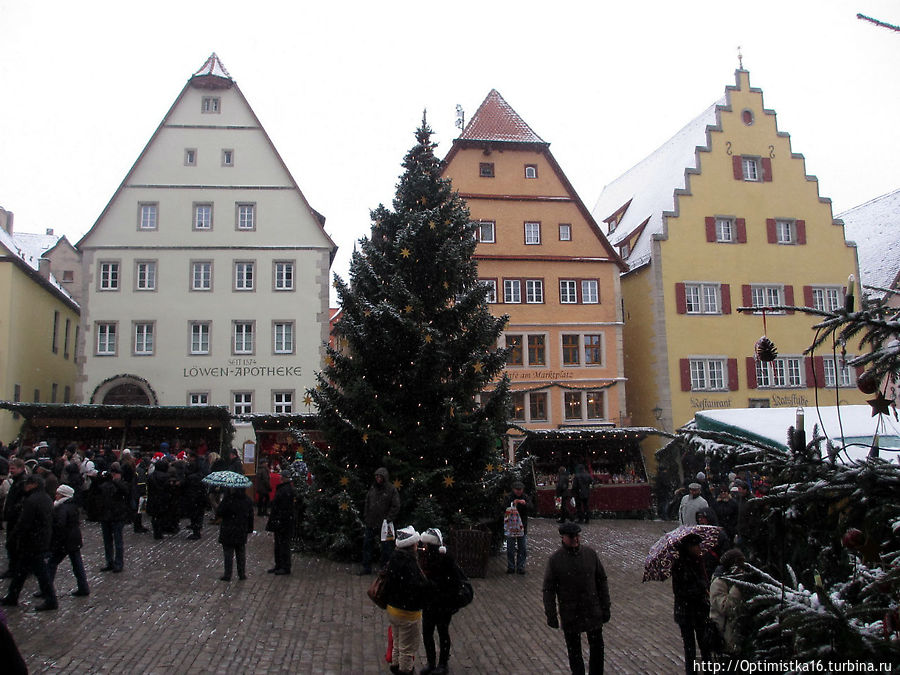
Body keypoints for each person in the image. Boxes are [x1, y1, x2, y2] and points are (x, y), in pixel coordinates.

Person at [543, 522, 611, 675]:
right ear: (563, 538)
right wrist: (551, 614)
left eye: (577, 536)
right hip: (570, 612)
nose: (575, 539)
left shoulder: (590, 554)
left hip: (592, 609)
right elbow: (548, 589)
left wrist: (605, 606)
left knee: (597, 649)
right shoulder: (555, 560)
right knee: (574, 653)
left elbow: (601, 580)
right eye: (571, 536)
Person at [1, 474, 57, 610]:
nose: (25, 486)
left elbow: (24, 523)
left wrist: (13, 538)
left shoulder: (32, 501)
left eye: (28, 484)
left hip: (32, 541)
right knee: (22, 570)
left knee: (40, 572)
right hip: (40, 539)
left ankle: (51, 599)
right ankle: (12, 596)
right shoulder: (46, 498)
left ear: (34, 485)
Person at [382, 526, 430, 675]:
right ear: (411, 545)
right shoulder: (410, 565)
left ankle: (396, 666)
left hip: (393, 610)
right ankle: (404, 670)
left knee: (397, 642)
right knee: (407, 649)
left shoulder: (394, 560)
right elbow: (417, 589)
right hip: (408, 614)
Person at [419, 527, 465, 675]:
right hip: (430, 603)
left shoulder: (445, 558)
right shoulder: (425, 558)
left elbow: (454, 581)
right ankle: (431, 662)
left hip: (443, 603)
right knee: (427, 632)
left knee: (442, 632)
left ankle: (443, 664)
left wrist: (435, 586)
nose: (424, 547)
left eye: (426, 544)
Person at [671, 532, 712, 674]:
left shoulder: (699, 562)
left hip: (700, 611)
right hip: (687, 612)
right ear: (689, 547)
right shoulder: (680, 565)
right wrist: (700, 588)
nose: (699, 548)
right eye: (696, 545)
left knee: (705, 645)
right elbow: (679, 590)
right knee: (690, 649)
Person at [48, 484, 90, 597]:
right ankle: (83, 587)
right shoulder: (72, 505)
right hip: (73, 539)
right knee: (77, 564)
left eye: (57, 493)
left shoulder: (62, 508)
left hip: (65, 540)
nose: (55, 496)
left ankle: (46, 587)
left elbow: (60, 525)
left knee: (52, 563)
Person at [360, 467, 400, 575]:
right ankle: (366, 567)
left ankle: (385, 568)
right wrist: (366, 516)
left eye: (380, 476)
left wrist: (388, 519)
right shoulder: (373, 489)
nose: (378, 478)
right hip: (371, 522)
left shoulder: (391, 490)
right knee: (367, 545)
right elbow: (367, 502)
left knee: (386, 548)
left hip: (385, 525)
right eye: (376, 476)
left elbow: (395, 506)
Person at [709, 548, 746, 661]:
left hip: (737, 636)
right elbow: (726, 607)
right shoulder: (719, 583)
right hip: (725, 636)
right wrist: (737, 587)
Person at [215, 486, 254, 581]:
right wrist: (249, 528)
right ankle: (241, 573)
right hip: (241, 529)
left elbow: (219, 512)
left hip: (228, 529)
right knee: (240, 552)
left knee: (228, 553)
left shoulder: (228, 499)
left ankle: (228, 574)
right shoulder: (247, 500)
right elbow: (251, 516)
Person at [98, 463, 130, 572]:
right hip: (106, 515)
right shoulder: (105, 484)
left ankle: (118, 563)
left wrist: (116, 482)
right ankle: (110, 561)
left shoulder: (121, 484)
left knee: (118, 541)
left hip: (117, 515)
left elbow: (126, 491)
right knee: (107, 541)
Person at [265, 470, 296, 575]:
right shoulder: (285, 489)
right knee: (279, 544)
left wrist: (279, 517)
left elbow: (284, 507)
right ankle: (279, 565)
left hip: (283, 522)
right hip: (282, 521)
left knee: (283, 544)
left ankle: (285, 566)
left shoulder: (286, 490)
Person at [1, 459, 27, 579]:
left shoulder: (22, 482)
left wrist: (13, 511)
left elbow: (21, 501)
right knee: (12, 544)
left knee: (14, 544)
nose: (11, 471)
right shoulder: (18, 481)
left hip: (16, 519)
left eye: (13, 469)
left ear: (21, 469)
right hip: (13, 518)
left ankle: (15, 569)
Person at [505, 480, 533, 575]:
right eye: (517, 490)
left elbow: (531, 507)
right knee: (510, 548)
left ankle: (520, 567)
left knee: (522, 548)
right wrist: (512, 504)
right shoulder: (509, 497)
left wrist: (525, 504)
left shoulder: (525, 497)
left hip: (522, 526)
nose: (518, 491)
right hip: (511, 525)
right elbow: (504, 508)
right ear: (513, 489)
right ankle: (511, 566)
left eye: (520, 490)